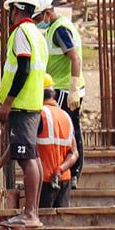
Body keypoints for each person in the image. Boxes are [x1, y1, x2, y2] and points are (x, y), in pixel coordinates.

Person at [0, 0, 51, 227]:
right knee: (32, 157)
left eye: (10, 10)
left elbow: (23, 68)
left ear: (17, 10)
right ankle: (32, 212)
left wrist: (8, 101)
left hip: (21, 105)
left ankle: (30, 214)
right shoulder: (36, 33)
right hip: (32, 104)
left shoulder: (21, 32)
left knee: (27, 159)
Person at [42, 2, 87, 188]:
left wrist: (73, 88)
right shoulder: (57, 26)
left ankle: (70, 172)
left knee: (65, 129)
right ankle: (71, 172)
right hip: (65, 87)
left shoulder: (60, 29)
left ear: (47, 13)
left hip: (65, 89)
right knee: (71, 128)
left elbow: (75, 58)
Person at [38, 78, 77, 209]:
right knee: (62, 220)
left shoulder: (39, 115)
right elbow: (74, 153)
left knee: (43, 220)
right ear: (53, 94)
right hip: (64, 179)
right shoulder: (66, 116)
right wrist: (60, 169)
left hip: (43, 180)